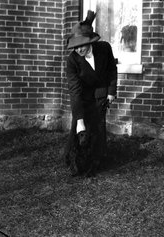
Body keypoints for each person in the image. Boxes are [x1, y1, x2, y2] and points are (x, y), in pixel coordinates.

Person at [62, 10, 117, 177]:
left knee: (98, 128)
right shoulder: (72, 61)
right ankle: (72, 162)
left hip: (101, 96)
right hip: (83, 98)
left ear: (90, 41)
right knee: (78, 131)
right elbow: (75, 91)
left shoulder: (104, 49)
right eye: (75, 46)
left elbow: (111, 70)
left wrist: (111, 92)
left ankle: (97, 161)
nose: (79, 49)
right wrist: (79, 120)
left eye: (82, 45)